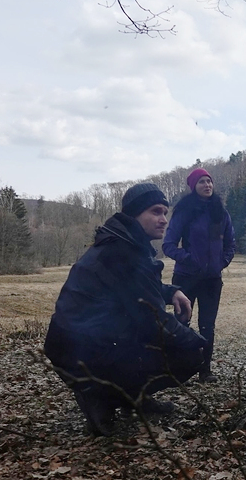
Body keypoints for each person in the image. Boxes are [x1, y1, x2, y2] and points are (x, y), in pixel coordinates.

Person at [44, 183, 207, 436]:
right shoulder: (122, 252)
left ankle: (133, 397)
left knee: (160, 344)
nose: (164, 220)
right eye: (156, 211)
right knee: (190, 352)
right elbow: (155, 323)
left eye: (165, 212)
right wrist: (198, 342)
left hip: (85, 343)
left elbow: (134, 288)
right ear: (134, 214)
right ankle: (97, 397)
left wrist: (171, 291)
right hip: (80, 351)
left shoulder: (123, 243)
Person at [162, 168, 236, 382]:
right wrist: (189, 259)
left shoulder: (220, 212)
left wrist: (221, 262)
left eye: (209, 181)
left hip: (212, 280)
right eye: (202, 182)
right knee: (181, 323)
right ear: (194, 186)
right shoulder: (185, 211)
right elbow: (168, 245)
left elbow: (230, 243)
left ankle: (205, 371)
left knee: (207, 326)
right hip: (186, 278)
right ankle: (178, 372)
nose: (207, 185)